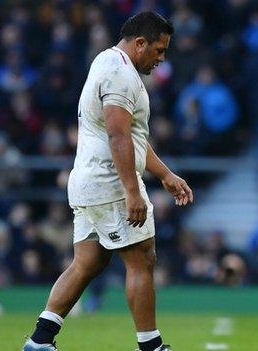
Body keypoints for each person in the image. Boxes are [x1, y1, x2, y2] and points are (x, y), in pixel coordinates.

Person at [23, 12, 193, 351]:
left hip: (88, 180)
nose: (162, 59)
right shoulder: (119, 74)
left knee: (89, 261)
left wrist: (164, 174)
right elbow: (118, 136)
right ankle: (150, 346)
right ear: (140, 43)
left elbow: (130, 134)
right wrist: (133, 192)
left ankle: (40, 341)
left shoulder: (108, 62)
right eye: (159, 50)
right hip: (110, 181)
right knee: (142, 257)